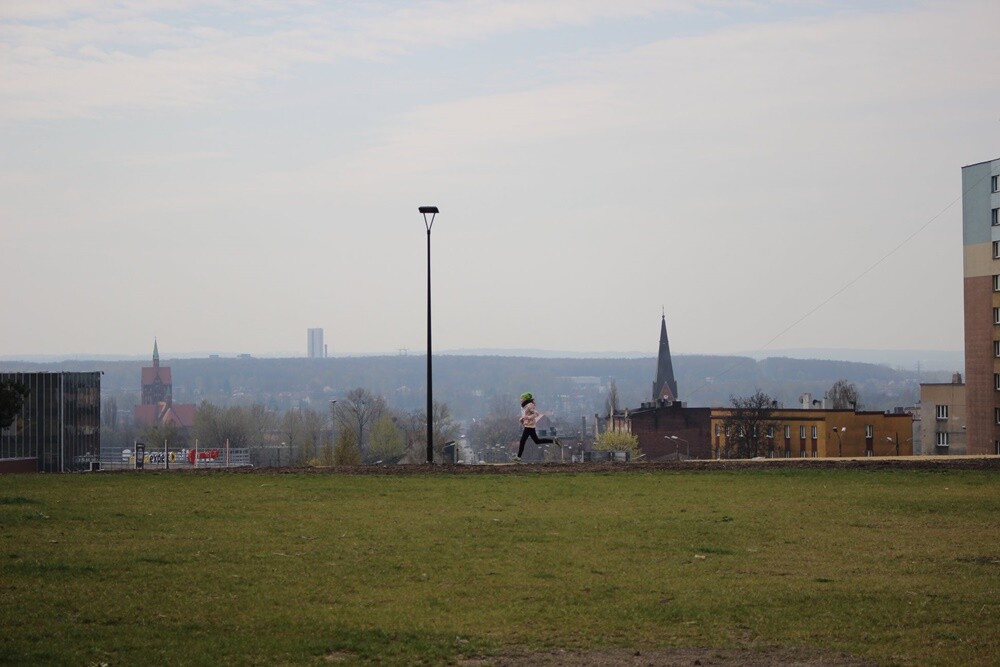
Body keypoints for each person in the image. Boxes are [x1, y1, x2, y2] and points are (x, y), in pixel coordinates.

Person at [514, 392, 561, 462]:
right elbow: (526, 415)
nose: (520, 399)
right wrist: (522, 419)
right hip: (528, 425)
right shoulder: (524, 406)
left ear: (525, 399)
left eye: (522, 398)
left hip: (529, 426)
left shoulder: (529, 405)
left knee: (522, 441)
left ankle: (518, 457)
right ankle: (554, 441)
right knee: (537, 441)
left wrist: (528, 417)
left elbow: (536, 414)